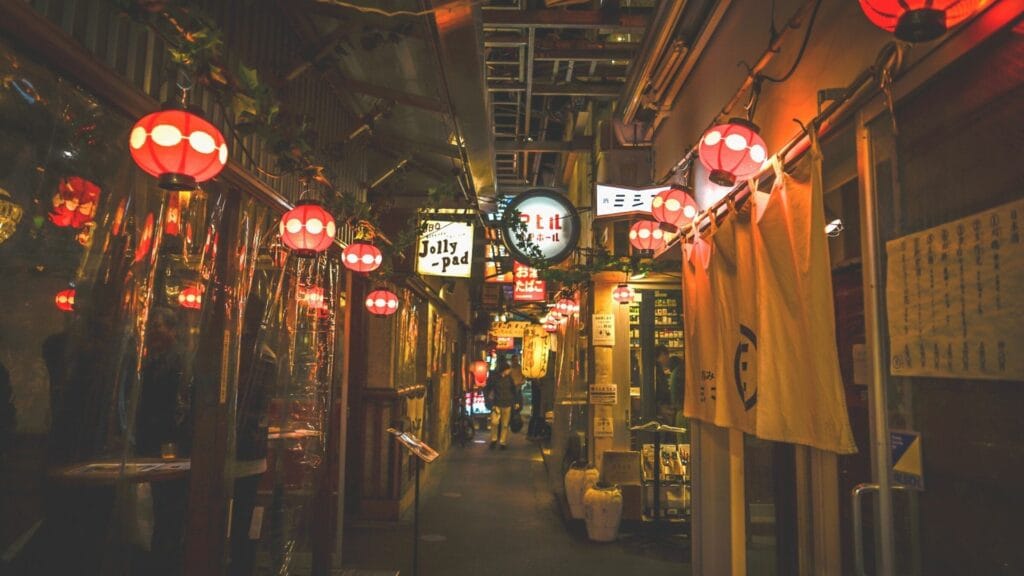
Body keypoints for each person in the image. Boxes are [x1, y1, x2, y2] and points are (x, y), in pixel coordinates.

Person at [484, 359, 521, 450]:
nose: (509, 371)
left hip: (507, 403)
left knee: (505, 424)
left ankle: (502, 442)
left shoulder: (509, 379)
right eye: (508, 369)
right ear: (504, 370)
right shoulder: (494, 378)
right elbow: (488, 389)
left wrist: (516, 402)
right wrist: (490, 402)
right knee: (494, 423)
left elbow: (513, 390)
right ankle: (493, 440)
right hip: (496, 403)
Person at [654, 345, 684, 426]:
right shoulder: (657, 369)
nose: (667, 358)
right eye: (667, 355)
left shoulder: (655, 368)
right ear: (663, 354)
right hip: (665, 406)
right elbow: (662, 389)